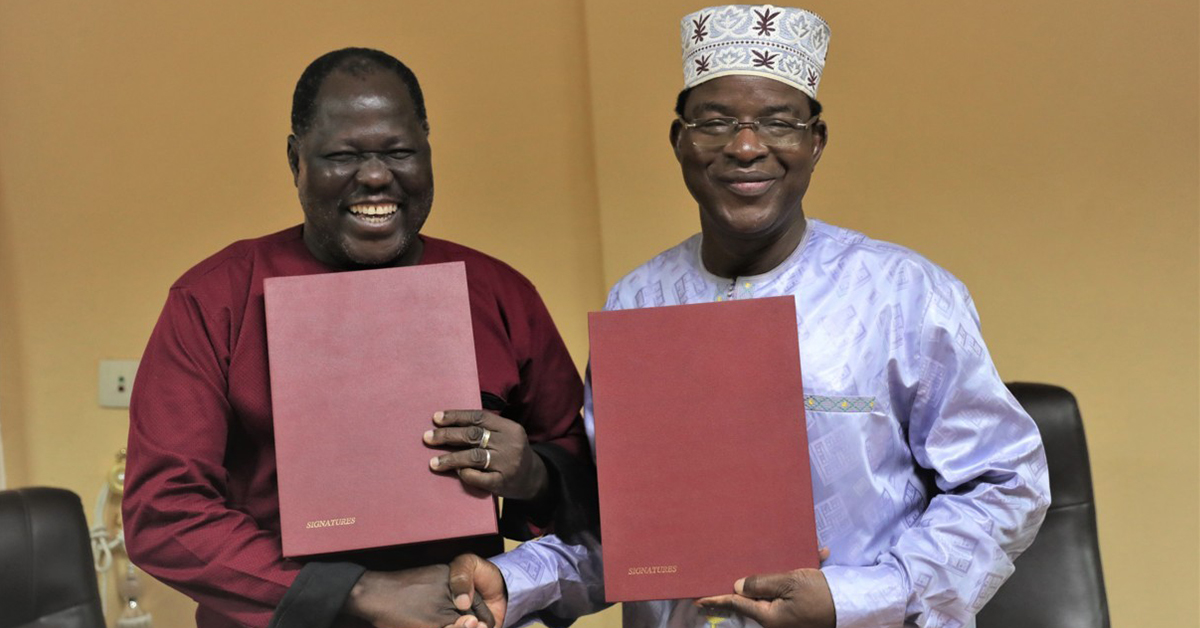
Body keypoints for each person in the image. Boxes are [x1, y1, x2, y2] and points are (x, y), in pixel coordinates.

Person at [447, 6, 1050, 628]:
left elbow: (1006, 484)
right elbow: (632, 529)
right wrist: (518, 580)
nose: (745, 147)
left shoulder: (905, 295)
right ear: (679, 140)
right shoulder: (639, 301)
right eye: (714, 123)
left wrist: (855, 597)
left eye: (778, 122)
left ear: (815, 142)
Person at [122, 47, 593, 628]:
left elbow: (591, 480)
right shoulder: (215, 300)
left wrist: (535, 476)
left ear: (427, 152)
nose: (374, 176)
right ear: (295, 159)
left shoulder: (500, 293)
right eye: (343, 155)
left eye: (399, 152)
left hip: (460, 617)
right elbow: (164, 513)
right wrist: (357, 592)